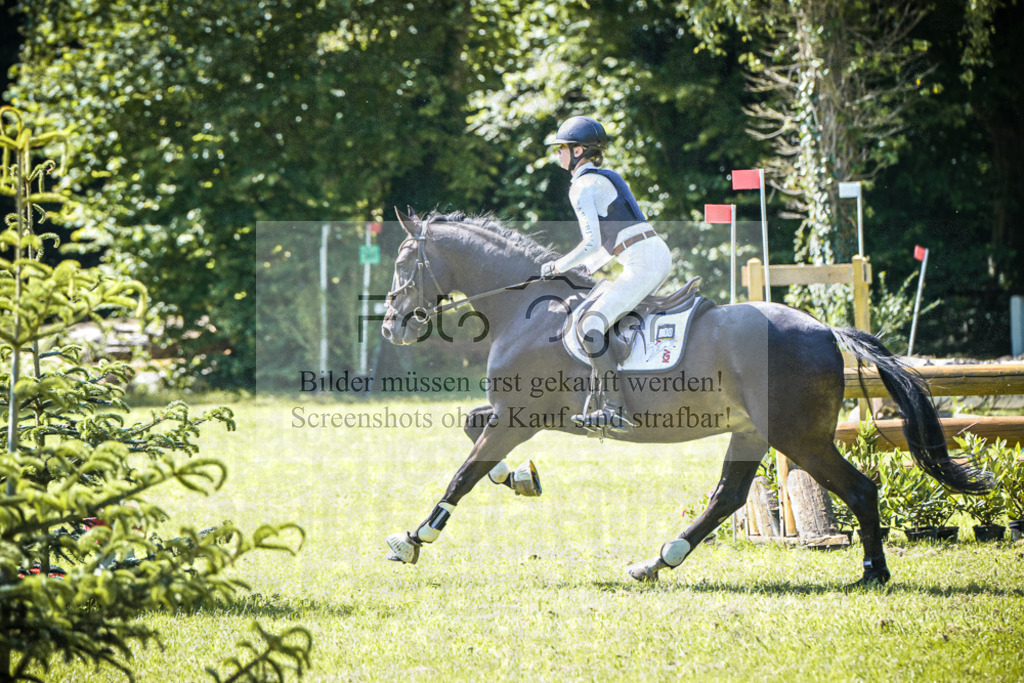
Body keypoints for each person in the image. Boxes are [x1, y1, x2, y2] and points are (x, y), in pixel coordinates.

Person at [541, 115, 672, 435]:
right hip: (651, 254)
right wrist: (584, 268)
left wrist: (556, 267)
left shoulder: (583, 185)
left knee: (589, 326)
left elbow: (591, 243)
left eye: (562, 148)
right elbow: (610, 241)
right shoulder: (607, 176)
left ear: (579, 150)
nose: (557, 153)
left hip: (643, 262)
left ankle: (614, 408)